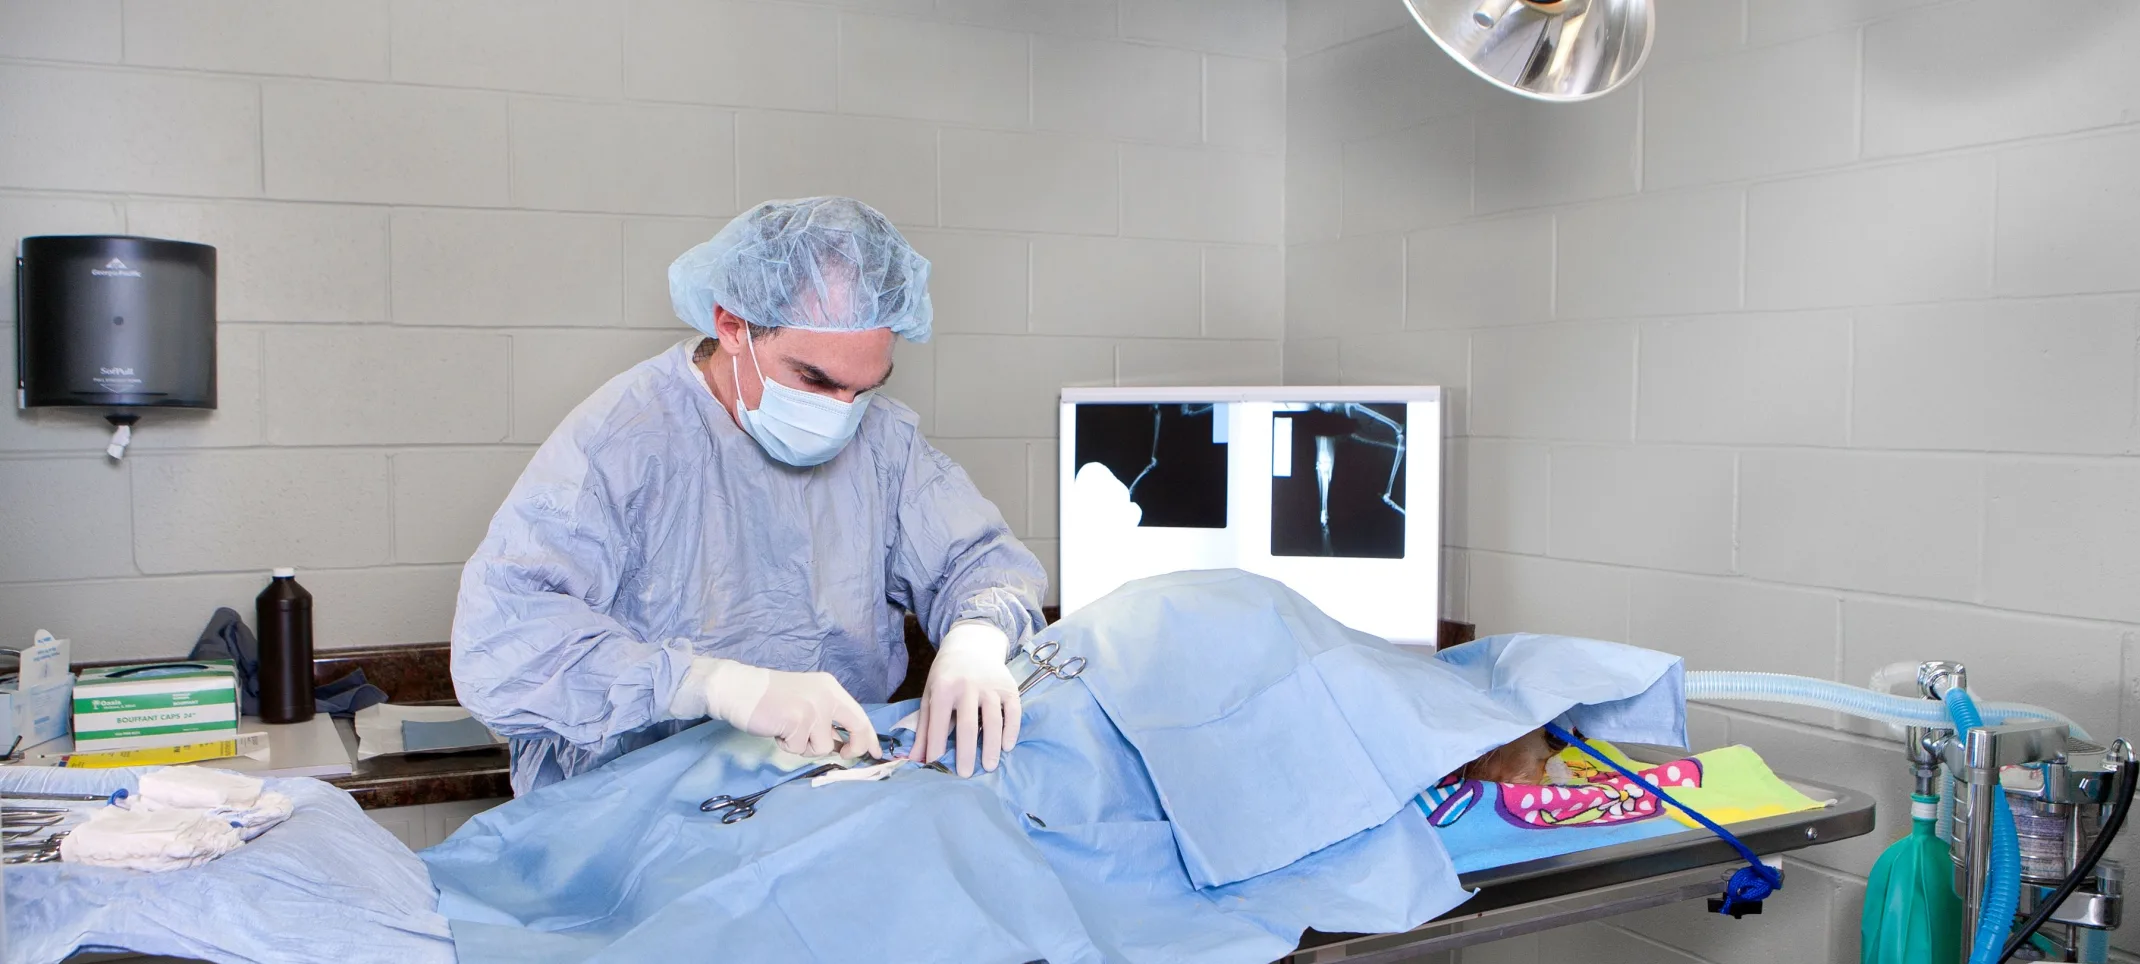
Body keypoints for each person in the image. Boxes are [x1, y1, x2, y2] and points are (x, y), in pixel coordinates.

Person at [452, 197, 1046, 795]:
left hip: (820, 793)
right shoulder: (625, 439)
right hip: (639, 808)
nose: (842, 413)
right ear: (732, 325)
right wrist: (712, 686)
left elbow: (981, 562)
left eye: (865, 389)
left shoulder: (883, 443)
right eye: (815, 380)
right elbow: (502, 643)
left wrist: (978, 640)